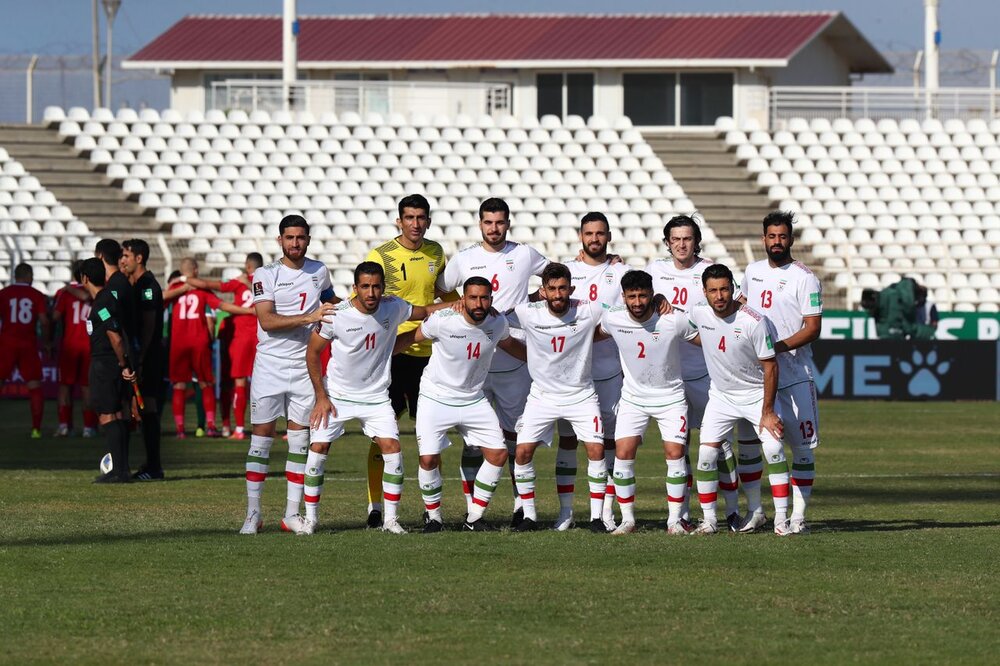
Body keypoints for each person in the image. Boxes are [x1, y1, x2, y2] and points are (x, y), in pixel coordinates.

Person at [302, 261, 454, 535]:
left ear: (383, 288)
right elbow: (313, 353)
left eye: (376, 286)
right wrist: (321, 396)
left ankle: (390, 521)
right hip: (337, 396)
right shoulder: (336, 314)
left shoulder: (393, 306)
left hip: (376, 397)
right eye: (365, 286)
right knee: (317, 452)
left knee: (393, 450)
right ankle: (311, 520)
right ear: (354, 289)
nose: (371, 293)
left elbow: (427, 311)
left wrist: (460, 304)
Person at [436, 197, 548, 526]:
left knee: (517, 438)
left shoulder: (524, 254)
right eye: (488, 222)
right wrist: (459, 305)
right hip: (476, 365)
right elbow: (441, 287)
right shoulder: (465, 258)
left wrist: (531, 300)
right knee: (474, 443)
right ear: (480, 224)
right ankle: (474, 510)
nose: (494, 228)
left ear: (508, 223)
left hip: (515, 361)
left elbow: (556, 275)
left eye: (500, 222)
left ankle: (520, 507)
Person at [394, 276, 525, 532]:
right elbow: (412, 338)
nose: (479, 303)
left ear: (491, 299)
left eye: (484, 297)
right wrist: (381, 354)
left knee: (498, 455)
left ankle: (474, 518)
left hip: (473, 398)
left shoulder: (497, 322)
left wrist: (542, 362)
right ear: (462, 299)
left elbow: (512, 346)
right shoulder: (443, 321)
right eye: (473, 297)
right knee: (429, 459)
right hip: (436, 397)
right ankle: (434, 518)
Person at [361, 194, 458, 527]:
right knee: (381, 434)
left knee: (429, 437)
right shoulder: (381, 254)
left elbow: (447, 296)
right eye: (409, 217)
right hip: (392, 354)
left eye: (421, 218)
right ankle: (375, 506)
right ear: (398, 221)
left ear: (428, 221)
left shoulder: (436, 252)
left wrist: (463, 310)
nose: (415, 224)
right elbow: (363, 295)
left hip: (430, 358)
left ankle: (433, 511)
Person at [645, 214, 746, 532]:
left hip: (707, 372)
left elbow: (739, 304)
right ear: (667, 243)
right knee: (678, 447)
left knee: (721, 445)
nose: (681, 244)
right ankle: (683, 513)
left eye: (687, 238)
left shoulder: (710, 271)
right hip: (669, 376)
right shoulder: (654, 271)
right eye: (675, 239)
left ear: (696, 241)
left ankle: (732, 511)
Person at [240, 214, 337, 535]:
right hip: (269, 366)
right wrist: (310, 316)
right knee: (261, 440)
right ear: (280, 240)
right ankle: (253, 513)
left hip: (304, 367)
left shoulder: (319, 270)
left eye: (301, 238)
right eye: (289, 238)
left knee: (299, 441)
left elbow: (330, 303)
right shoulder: (264, 275)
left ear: (308, 239)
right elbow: (266, 321)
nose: (295, 243)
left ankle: (291, 515)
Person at [685, 264, 791, 535]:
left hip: (756, 396)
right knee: (707, 454)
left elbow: (771, 366)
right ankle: (709, 520)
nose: (719, 296)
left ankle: (780, 519)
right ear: (704, 292)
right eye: (713, 291)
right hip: (721, 397)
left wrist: (768, 411)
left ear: (733, 289)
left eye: (724, 289)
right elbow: (686, 330)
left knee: (773, 450)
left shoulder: (754, 321)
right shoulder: (698, 312)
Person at [738, 211, 822, 534]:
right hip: (761, 377)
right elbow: (743, 307)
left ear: (791, 239)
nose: (777, 242)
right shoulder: (753, 271)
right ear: (763, 239)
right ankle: (763, 512)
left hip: (796, 373)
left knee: (801, 447)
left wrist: (778, 346)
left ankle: (798, 516)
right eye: (771, 237)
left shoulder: (805, 277)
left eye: (782, 237)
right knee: (765, 445)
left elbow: (812, 328)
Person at [506, 262, 607, 532]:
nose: (558, 294)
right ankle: (529, 516)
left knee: (596, 450)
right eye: (552, 289)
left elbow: (627, 314)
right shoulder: (527, 312)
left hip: (581, 394)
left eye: (563, 288)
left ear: (571, 289)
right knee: (523, 453)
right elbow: (493, 315)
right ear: (543, 291)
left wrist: (658, 300)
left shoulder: (589, 308)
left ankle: (595, 518)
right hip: (542, 396)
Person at [596, 270, 697, 535]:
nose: (638, 302)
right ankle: (627, 520)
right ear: (624, 297)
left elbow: (705, 338)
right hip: (633, 398)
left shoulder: (673, 319)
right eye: (632, 296)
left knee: (675, 455)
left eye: (643, 295)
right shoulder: (613, 318)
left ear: (653, 294)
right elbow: (591, 333)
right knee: (623, 453)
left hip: (671, 398)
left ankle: (675, 520)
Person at [558, 212, 629, 530]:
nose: (595, 239)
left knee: (609, 440)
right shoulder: (566, 271)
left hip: (609, 369)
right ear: (580, 235)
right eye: (589, 233)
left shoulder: (622, 272)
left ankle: (605, 511)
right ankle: (566, 511)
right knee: (569, 440)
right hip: (571, 373)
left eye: (600, 233)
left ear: (608, 236)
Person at [164, 258, 252, 438]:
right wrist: (249, 311)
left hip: (178, 343)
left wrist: (180, 286)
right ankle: (211, 426)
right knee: (205, 383)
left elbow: (160, 297)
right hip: (199, 341)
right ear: (195, 270)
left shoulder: (173, 289)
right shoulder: (201, 290)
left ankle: (180, 430)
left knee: (179, 385)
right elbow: (222, 305)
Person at [185, 252, 264, 440]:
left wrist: (185, 278)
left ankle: (236, 429)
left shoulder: (239, 282)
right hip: (262, 336)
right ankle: (263, 429)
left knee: (236, 382)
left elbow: (208, 285)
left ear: (247, 266)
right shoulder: (268, 282)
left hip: (239, 336)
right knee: (262, 385)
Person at [81, 257, 137, 483]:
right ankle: (122, 469)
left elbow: (114, 334)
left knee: (108, 415)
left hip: (106, 364)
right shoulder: (104, 300)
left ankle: (117, 471)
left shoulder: (103, 303)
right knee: (116, 414)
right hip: (110, 363)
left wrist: (123, 364)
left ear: (84, 278)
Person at [121, 239, 166, 481]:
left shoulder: (148, 285)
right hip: (143, 355)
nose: (123, 260)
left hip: (149, 357)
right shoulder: (137, 283)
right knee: (142, 409)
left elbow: (149, 326)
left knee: (148, 408)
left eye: (126, 255)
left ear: (139, 258)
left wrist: (141, 357)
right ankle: (149, 464)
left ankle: (154, 467)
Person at [0, 262, 50, 437]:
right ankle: (36, 429)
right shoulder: (36, 295)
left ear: (15, 276)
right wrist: (46, 342)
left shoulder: (4, 294)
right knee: (34, 385)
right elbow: (44, 321)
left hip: (6, 344)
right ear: (28, 276)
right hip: (28, 344)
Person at [52, 261, 97, 437]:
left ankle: (64, 426)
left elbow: (55, 317)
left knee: (65, 387)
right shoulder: (96, 291)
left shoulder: (65, 293)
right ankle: (88, 428)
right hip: (90, 346)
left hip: (69, 345)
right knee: (87, 387)